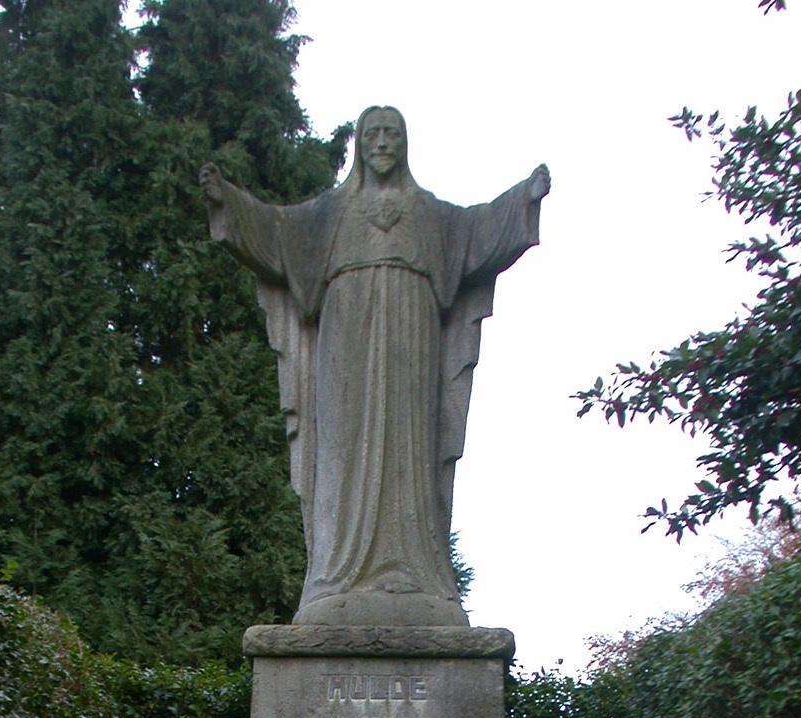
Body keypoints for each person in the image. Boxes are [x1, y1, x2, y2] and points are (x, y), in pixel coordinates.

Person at [200, 107, 550, 626]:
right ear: (360, 145)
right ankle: (335, 575)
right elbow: (276, 231)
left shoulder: (430, 214)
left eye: (392, 134)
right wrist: (227, 200)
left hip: (413, 339)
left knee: (411, 447)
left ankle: (417, 573)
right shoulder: (330, 213)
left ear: (404, 144)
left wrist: (524, 198)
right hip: (345, 337)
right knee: (342, 446)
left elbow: (477, 230)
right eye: (373, 134)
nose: (382, 142)